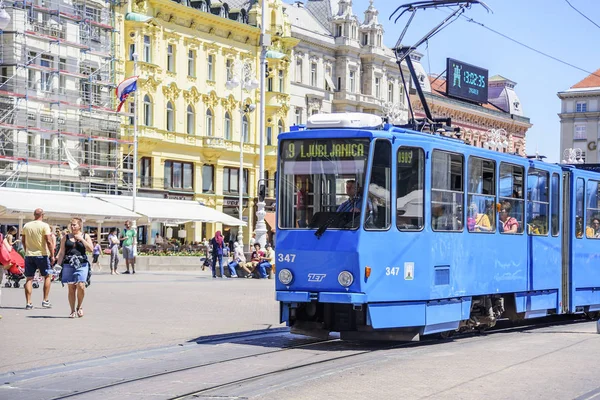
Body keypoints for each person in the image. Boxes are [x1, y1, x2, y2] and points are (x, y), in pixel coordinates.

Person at [56, 218, 94, 318]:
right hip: (69, 263)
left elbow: (91, 249)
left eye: (74, 225)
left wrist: (81, 239)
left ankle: (79, 306)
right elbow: (62, 252)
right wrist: (58, 266)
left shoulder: (85, 236)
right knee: (71, 287)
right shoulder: (66, 237)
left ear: (79, 226)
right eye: (71, 225)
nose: (72, 227)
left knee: (81, 285)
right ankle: (72, 310)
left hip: (82, 264)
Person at [22, 208, 55, 310]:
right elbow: (49, 241)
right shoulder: (44, 226)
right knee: (47, 276)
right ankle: (45, 300)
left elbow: (23, 240)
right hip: (41, 254)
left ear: (34, 215)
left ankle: (28, 302)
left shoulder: (26, 225)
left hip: (29, 254)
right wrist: (52, 255)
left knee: (29, 278)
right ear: (42, 215)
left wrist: (26, 250)